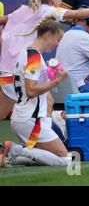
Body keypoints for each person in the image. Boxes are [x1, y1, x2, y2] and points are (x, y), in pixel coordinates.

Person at [0, 0, 89, 120]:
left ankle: (41, 135)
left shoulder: (22, 11)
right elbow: (77, 14)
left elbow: (2, 20)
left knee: (46, 102)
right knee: (44, 103)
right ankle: (41, 137)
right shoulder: (47, 10)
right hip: (21, 67)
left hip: (7, 68)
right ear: (53, 0)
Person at [0, 16, 72, 167]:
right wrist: (56, 81)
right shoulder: (33, 56)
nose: (57, 45)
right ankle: (16, 150)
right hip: (30, 120)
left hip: (28, 118)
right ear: (47, 35)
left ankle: (11, 156)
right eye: (57, 40)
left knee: (46, 156)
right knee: (65, 159)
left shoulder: (29, 53)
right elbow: (31, 90)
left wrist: (51, 74)